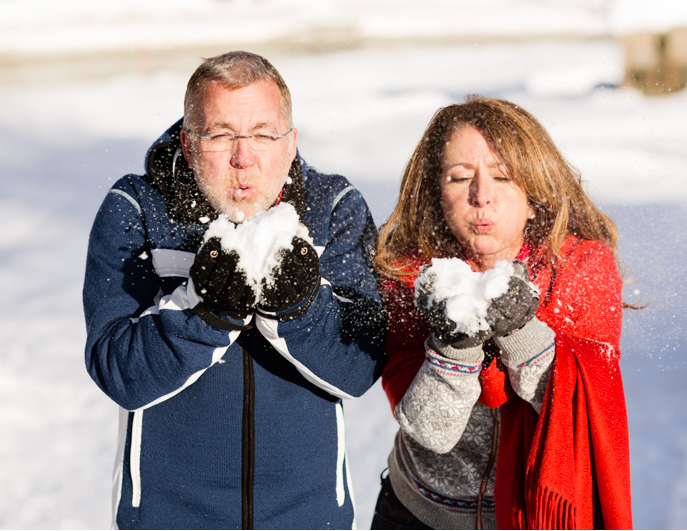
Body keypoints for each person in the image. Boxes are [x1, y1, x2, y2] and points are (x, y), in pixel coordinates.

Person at [83, 50, 385, 529]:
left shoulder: (334, 207)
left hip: (308, 519)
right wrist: (202, 312)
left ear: (291, 142)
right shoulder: (136, 208)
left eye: (263, 135)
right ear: (187, 141)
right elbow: (118, 371)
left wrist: (299, 308)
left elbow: (362, 366)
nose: (243, 158)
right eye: (220, 135)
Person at [371, 96, 632, 530]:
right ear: (438, 195)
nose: (481, 196)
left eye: (503, 176)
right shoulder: (410, 273)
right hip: (417, 511)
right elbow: (432, 432)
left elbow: (581, 412)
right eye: (459, 178)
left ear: (535, 193)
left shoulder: (581, 268)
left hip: (533, 513)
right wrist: (454, 347)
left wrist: (520, 332)